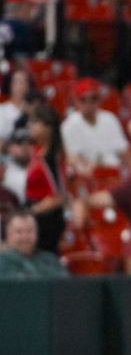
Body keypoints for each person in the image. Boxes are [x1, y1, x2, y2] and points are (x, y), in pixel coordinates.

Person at [61, 78, 131, 175]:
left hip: (114, 171)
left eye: (93, 98)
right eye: (83, 99)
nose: (89, 103)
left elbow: (123, 152)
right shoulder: (69, 125)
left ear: (99, 100)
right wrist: (93, 172)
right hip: (87, 174)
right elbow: (72, 158)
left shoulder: (110, 119)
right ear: (76, 101)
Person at [25, 103, 68, 255]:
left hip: (47, 221)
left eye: (35, 122)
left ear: (48, 127)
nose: (29, 125)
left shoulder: (49, 158)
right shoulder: (37, 152)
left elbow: (59, 197)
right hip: (37, 215)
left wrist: (29, 212)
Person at [0, 210, 68, 278]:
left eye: (29, 231)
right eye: (19, 232)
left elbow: (66, 284)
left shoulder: (50, 261)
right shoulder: (2, 263)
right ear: (8, 235)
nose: (25, 237)